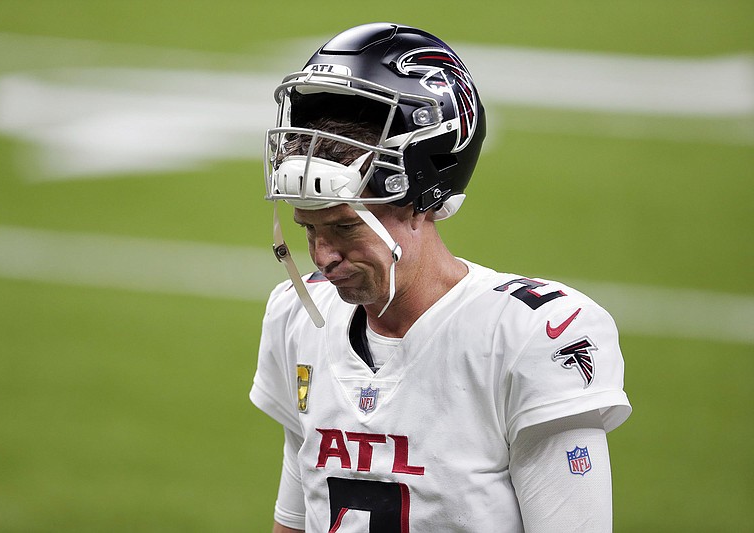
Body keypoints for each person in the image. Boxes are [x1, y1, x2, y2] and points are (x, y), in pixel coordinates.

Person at [250, 22, 631, 533]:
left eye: (344, 226)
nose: (323, 257)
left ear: (420, 201)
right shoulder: (297, 318)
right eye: (307, 227)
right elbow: (296, 520)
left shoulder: (526, 335)